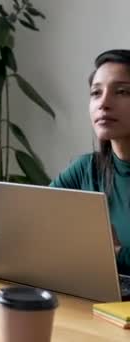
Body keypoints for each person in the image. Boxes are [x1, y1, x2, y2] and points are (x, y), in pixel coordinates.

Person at [50, 49, 130, 275]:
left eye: (122, 92)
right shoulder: (86, 170)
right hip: (91, 297)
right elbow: (36, 227)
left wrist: (116, 254)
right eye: (96, 93)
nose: (103, 103)